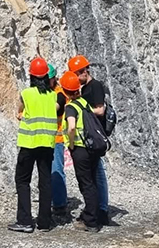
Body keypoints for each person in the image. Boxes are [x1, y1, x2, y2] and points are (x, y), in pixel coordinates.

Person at [8, 57, 64, 234]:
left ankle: (25, 221)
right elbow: (56, 109)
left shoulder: (26, 94)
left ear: (31, 76)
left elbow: (19, 112)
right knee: (45, 181)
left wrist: (22, 115)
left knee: (23, 180)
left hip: (29, 144)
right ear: (47, 77)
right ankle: (44, 222)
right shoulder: (53, 96)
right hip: (47, 144)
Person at [68, 54, 112, 226]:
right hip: (89, 137)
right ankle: (96, 209)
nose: (76, 79)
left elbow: (100, 110)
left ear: (85, 71)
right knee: (94, 176)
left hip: (95, 136)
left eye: (78, 74)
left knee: (97, 176)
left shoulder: (95, 87)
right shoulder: (84, 88)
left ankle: (101, 210)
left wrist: (81, 110)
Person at [61, 70, 100, 232]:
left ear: (65, 91)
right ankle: (93, 214)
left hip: (80, 149)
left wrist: (70, 144)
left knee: (86, 184)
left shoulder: (70, 107)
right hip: (91, 147)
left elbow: (71, 127)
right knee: (91, 182)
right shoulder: (83, 102)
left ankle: (91, 221)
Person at [49, 63, 69, 215]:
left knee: (56, 170)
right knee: (49, 171)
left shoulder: (60, 94)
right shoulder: (47, 92)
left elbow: (54, 109)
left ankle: (60, 204)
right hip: (44, 138)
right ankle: (53, 200)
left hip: (56, 139)